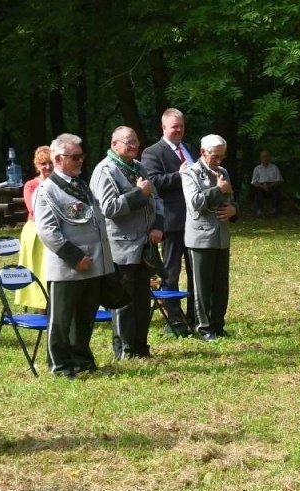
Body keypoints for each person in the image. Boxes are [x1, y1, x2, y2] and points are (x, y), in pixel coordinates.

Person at [34, 134, 115, 377]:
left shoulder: (80, 184)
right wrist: (75, 257)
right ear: (58, 159)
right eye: (75, 157)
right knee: (60, 321)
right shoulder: (47, 190)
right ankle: (60, 365)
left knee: (84, 318)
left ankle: (82, 360)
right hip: (68, 267)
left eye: (81, 156)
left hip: (93, 264)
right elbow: (47, 230)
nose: (80, 161)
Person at [91, 126, 164, 359]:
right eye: (128, 142)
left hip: (144, 244)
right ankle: (125, 351)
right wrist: (138, 194)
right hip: (120, 247)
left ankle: (141, 347)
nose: (134, 146)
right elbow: (109, 208)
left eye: (136, 141)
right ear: (114, 145)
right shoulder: (105, 170)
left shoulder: (139, 167)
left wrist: (158, 225)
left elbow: (157, 199)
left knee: (142, 299)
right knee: (123, 301)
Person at [141, 109, 195, 336]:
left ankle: (194, 315)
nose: (179, 130)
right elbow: (151, 183)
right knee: (171, 272)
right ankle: (173, 318)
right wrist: (178, 175)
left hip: (195, 222)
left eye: (181, 126)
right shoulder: (153, 152)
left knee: (195, 272)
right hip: (171, 223)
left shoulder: (190, 149)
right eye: (174, 126)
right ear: (163, 127)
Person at [183, 135, 236, 340]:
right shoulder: (190, 173)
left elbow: (231, 200)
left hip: (221, 236)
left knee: (221, 286)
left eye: (222, 157)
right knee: (202, 286)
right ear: (203, 152)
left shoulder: (223, 172)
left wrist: (234, 210)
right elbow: (195, 203)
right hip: (201, 237)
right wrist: (218, 190)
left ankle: (217, 325)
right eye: (215, 156)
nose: (219, 161)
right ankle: (203, 328)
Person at [13, 146, 53, 311]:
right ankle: (40, 307)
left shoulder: (63, 183)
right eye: (43, 163)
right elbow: (34, 209)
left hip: (57, 231)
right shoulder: (30, 185)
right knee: (37, 269)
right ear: (37, 166)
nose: (48, 167)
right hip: (36, 232)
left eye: (51, 163)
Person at [250, 150, 284, 217]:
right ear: (260, 158)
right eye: (263, 157)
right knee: (258, 191)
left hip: (272, 186)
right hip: (261, 186)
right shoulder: (257, 169)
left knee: (276, 190)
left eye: (266, 156)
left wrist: (269, 185)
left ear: (269, 158)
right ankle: (259, 210)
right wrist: (262, 186)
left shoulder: (274, 168)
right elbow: (253, 182)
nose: (265, 158)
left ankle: (274, 209)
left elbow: (279, 180)